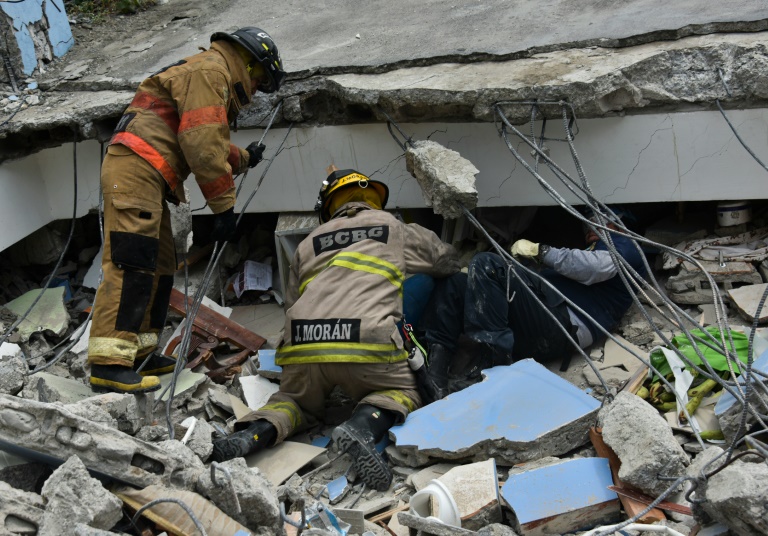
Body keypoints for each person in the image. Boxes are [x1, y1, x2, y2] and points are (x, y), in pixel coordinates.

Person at [212, 167, 460, 490]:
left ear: (329, 206)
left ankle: (253, 433)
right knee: (403, 391)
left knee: (293, 402)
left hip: (305, 347)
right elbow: (444, 260)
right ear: (372, 198)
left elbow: (291, 306)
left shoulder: (307, 244)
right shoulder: (391, 227)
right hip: (367, 344)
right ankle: (363, 426)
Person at [88, 27, 286, 394]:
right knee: (131, 263)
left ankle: (142, 352)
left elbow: (201, 135)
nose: (256, 90)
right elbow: (200, 145)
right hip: (136, 169)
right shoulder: (212, 72)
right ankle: (108, 364)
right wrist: (224, 209)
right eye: (259, 80)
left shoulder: (211, 72)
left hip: (148, 173)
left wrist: (244, 158)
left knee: (160, 264)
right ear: (248, 62)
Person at [419, 210, 647, 399]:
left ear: (617, 224)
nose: (589, 228)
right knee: (455, 282)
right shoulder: (591, 250)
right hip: (542, 322)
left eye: (597, 220)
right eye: (586, 224)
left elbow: (596, 267)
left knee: (487, 263)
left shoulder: (625, 244)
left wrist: (542, 251)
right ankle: (435, 376)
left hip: (565, 326)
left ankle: (492, 370)